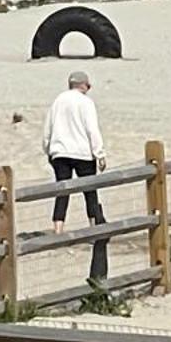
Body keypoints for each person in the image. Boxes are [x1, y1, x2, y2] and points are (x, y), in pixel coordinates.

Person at [42, 69, 109, 283]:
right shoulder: (86, 103)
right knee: (90, 190)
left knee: (62, 190)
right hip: (81, 152)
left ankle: (58, 229)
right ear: (85, 85)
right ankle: (93, 227)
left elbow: (48, 128)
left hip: (60, 151)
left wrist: (48, 149)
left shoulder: (59, 100)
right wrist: (99, 153)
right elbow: (92, 129)